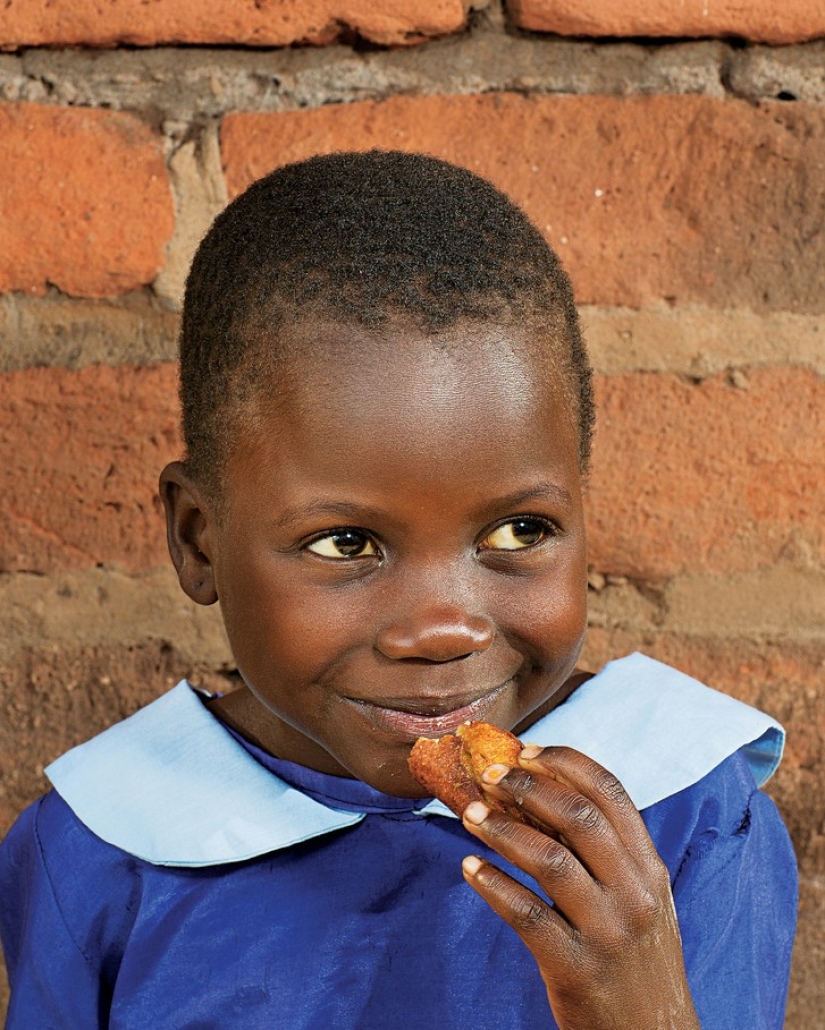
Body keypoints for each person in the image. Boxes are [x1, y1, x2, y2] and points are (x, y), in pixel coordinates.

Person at [0, 151, 796, 1029]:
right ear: (198, 541)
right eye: (345, 544)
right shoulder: (104, 848)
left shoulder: (683, 813)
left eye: (518, 532)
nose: (444, 629)